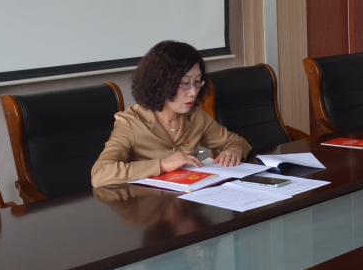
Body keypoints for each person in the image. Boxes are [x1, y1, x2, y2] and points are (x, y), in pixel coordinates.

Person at [91, 40, 251, 188]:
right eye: (185, 83)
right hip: (147, 204)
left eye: (197, 82)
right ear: (160, 83)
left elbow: (236, 141)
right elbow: (100, 174)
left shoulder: (195, 115)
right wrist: (162, 164)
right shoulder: (131, 122)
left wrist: (234, 151)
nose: (193, 92)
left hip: (190, 200)